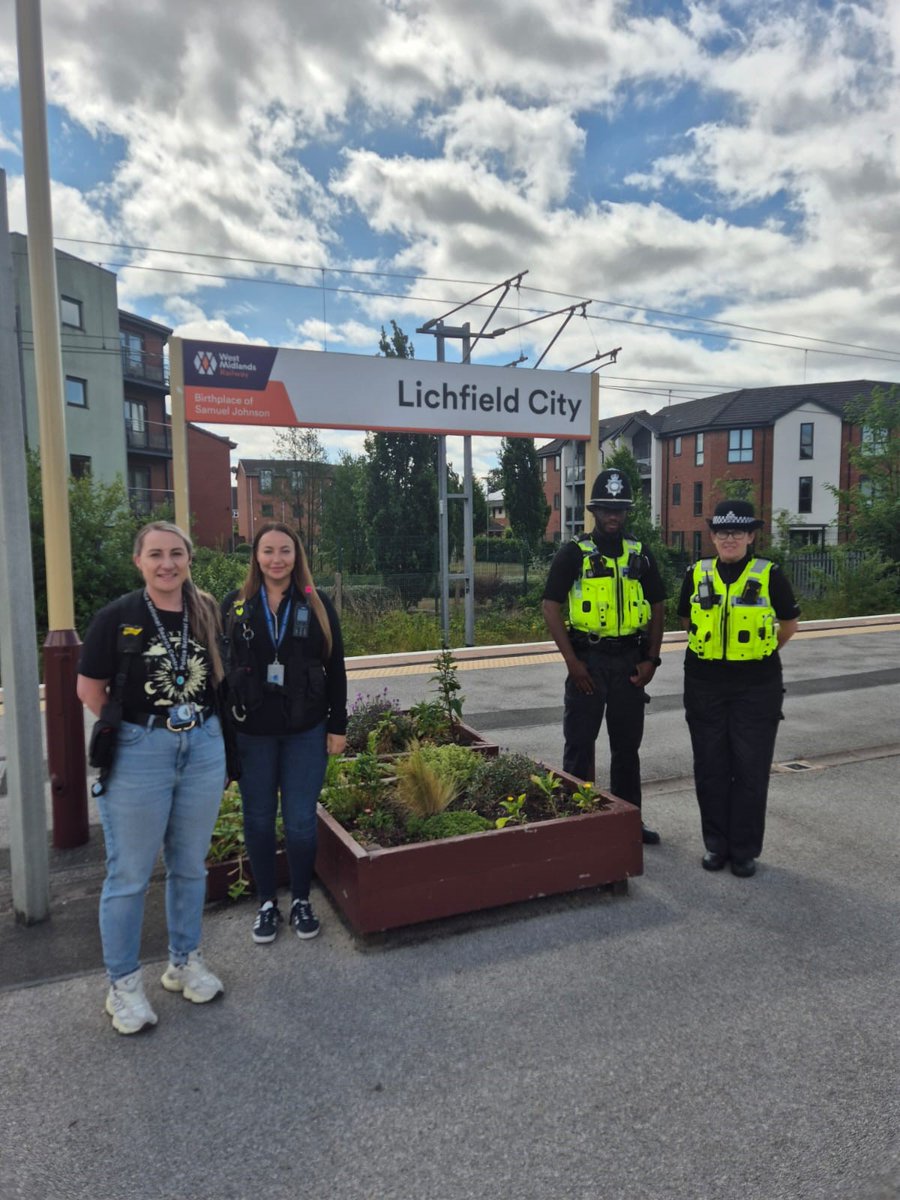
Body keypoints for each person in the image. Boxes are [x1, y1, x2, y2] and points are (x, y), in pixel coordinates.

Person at [77, 521, 227, 1036]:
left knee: (189, 866)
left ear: (189, 559)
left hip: (203, 745)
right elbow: (88, 689)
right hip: (141, 752)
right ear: (138, 561)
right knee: (130, 875)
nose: (168, 564)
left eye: (177, 554)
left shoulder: (204, 611)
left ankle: (183, 962)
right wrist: (144, 732)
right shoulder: (116, 617)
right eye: (156, 554)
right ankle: (122, 986)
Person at [222, 522, 347, 945]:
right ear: (255, 556)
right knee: (257, 820)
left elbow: (337, 668)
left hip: (305, 732)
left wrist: (338, 725)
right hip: (251, 734)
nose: (277, 559)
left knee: (298, 824)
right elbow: (221, 678)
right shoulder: (236, 605)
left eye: (285, 551)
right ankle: (265, 903)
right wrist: (224, 741)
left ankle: (299, 899)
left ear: (298, 556)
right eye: (268, 551)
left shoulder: (316, 603)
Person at [542, 468, 667, 844]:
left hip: (629, 661)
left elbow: (659, 605)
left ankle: (628, 820)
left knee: (626, 748)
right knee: (580, 744)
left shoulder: (640, 554)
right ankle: (578, 823)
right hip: (589, 662)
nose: (614, 515)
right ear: (594, 510)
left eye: (620, 509)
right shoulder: (574, 553)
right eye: (607, 508)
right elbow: (550, 606)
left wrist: (652, 659)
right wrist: (573, 664)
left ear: (626, 512)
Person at [679, 499, 799, 877]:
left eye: (738, 531)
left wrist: (757, 654)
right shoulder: (696, 573)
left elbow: (788, 626)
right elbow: (688, 620)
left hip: (756, 686)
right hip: (704, 684)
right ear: (712, 537)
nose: (729, 538)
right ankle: (716, 845)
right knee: (710, 767)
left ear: (750, 535)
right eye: (722, 532)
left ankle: (744, 849)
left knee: (750, 768)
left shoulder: (769, 574)